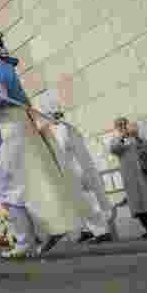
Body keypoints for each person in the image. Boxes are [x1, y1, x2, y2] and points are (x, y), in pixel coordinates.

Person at [0, 35, 86, 259]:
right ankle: (42, 231)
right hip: (13, 128)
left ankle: (25, 241)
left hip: (11, 129)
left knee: (12, 185)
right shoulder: (3, 70)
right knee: (30, 181)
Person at [41, 90, 113, 244]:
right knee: (79, 203)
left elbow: (61, 148)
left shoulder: (61, 129)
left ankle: (102, 232)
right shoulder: (66, 127)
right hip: (75, 170)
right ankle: (88, 230)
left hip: (76, 171)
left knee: (87, 202)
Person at [109, 117, 147, 238]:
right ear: (116, 128)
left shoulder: (139, 137)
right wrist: (122, 136)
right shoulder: (116, 140)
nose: (122, 126)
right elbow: (114, 149)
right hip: (132, 178)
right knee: (138, 205)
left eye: (124, 124)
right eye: (119, 125)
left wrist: (137, 137)